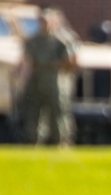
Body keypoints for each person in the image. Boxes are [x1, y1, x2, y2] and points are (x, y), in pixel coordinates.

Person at [17, 11, 74, 144]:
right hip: (36, 79)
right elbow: (26, 59)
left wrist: (59, 69)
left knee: (57, 113)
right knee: (33, 112)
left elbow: (70, 60)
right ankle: (33, 141)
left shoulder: (61, 40)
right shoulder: (33, 40)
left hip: (53, 79)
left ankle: (60, 141)